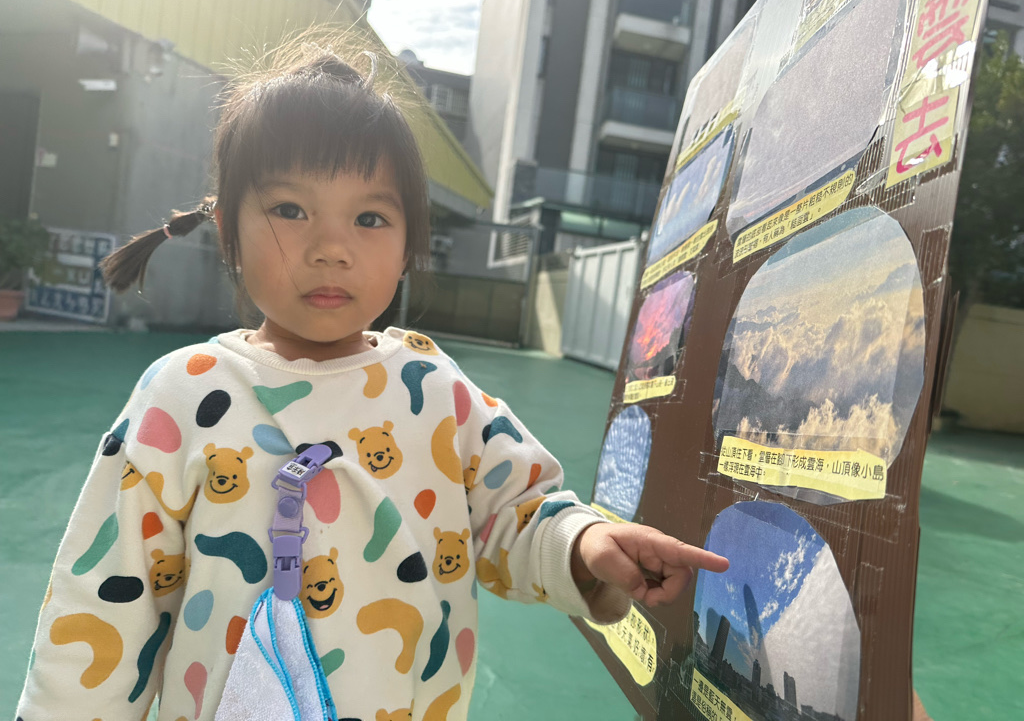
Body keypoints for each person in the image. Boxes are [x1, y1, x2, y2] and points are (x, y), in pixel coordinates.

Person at [15, 40, 729, 721]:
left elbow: (515, 511)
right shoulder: (182, 395)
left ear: (409, 240)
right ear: (228, 229)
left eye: (369, 217)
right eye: (290, 210)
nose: (332, 248)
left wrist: (582, 544)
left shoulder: (436, 390)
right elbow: (102, 606)